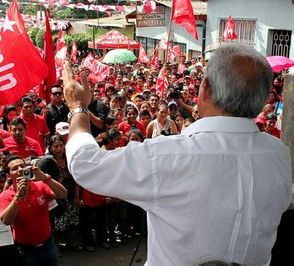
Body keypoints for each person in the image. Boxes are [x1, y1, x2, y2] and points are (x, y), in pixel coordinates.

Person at [62, 43, 292, 265]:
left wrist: (78, 108)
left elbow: (85, 163)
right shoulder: (278, 155)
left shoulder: (169, 156)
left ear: (206, 88)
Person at [0, 155, 67, 266]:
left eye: (22, 166)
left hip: (48, 246)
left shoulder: (40, 186)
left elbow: (62, 194)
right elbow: (6, 220)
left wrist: (46, 178)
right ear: (8, 176)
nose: (20, 169)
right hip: (26, 251)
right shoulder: (5, 196)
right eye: (15, 168)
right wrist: (18, 197)